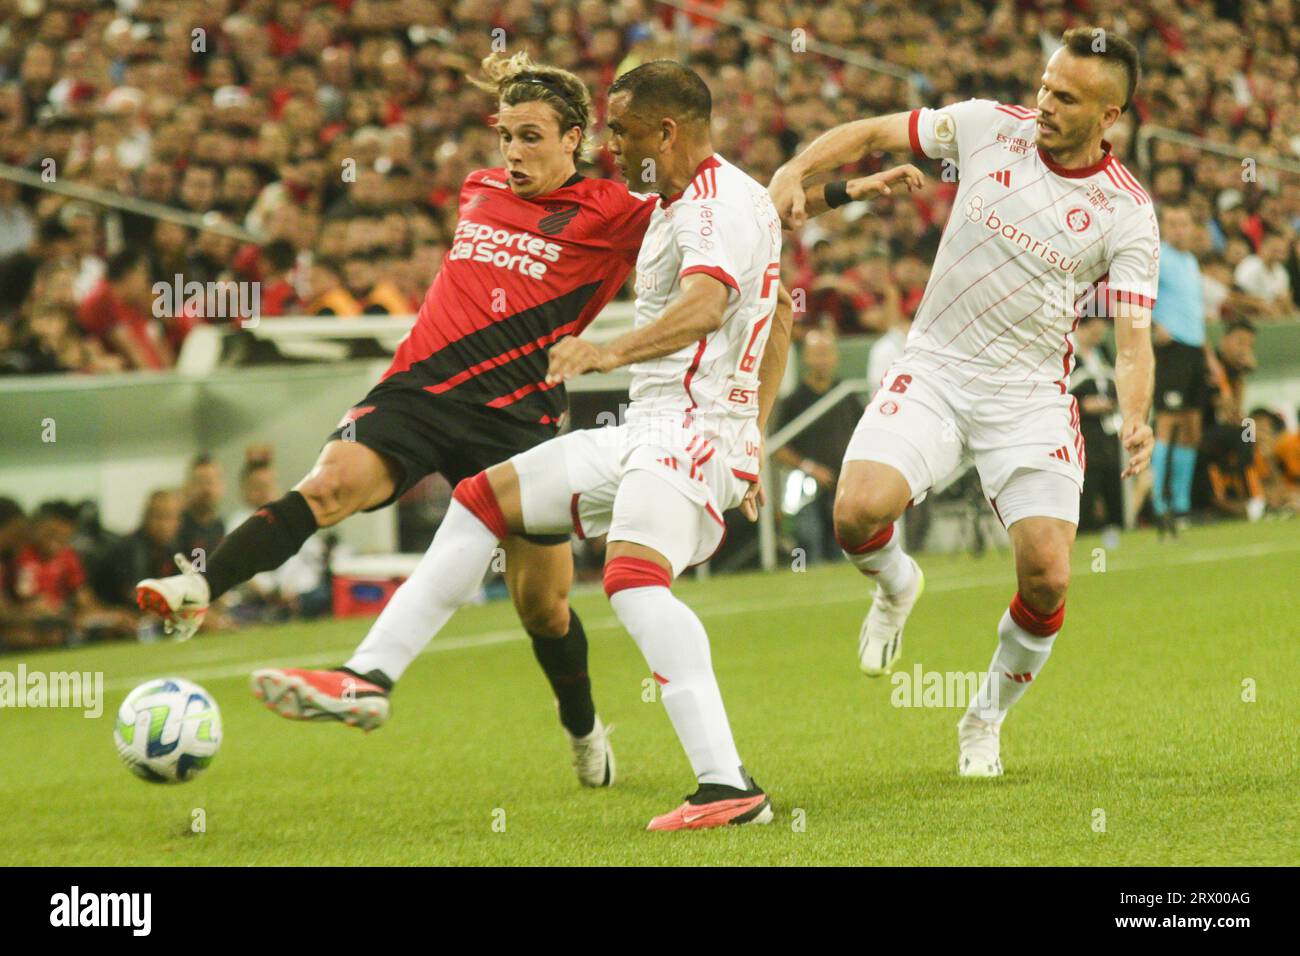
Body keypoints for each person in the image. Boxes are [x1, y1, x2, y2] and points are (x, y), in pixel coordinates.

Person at [251, 60, 902, 830]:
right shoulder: (694, 196)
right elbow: (782, 312)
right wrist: (756, 437)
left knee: (632, 580)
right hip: (653, 431)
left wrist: (611, 355)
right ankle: (369, 677)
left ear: (666, 130)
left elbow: (703, 307)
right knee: (481, 500)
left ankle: (727, 786)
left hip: (691, 435)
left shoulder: (708, 211)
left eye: (622, 133)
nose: (610, 148)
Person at [140, 52, 681, 788]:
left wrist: (828, 188)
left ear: (574, 139)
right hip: (418, 393)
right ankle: (198, 590)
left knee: (543, 609)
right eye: (505, 136)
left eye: (530, 137)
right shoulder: (479, 188)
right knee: (329, 486)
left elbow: (710, 210)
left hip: (516, 419)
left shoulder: (621, 213)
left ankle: (584, 730)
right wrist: (515, 78)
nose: (513, 154)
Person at [769, 27, 1157, 778]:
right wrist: (795, 167)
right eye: (1045, 85)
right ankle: (895, 585)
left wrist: (1134, 413)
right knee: (855, 513)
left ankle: (983, 719)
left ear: (1109, 116)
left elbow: (1133, 340)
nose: (1044, 103)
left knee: (1048, 574)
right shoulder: (987, 128)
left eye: (1066, 97)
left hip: (1030, 397)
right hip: (938, 370)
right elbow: (876, 132)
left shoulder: (1126, 213)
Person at [773, 327, 863, 563]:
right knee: (807, 540)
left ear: (836, 356)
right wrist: (808, 467)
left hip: (842, 484)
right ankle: (801, 580)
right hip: (805, 486)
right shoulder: (795, 400)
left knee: (843, 546)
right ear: (806, 358)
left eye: (827, 353)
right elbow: (778, 446)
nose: (823, 360)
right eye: (817, 353)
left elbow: (864, 433)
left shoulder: (847, 394)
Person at [1150, 205, 1209, 535]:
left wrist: (1208, 357)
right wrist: (1154, 324)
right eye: (1172, 223)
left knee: (1191, 429)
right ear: (1164, 227)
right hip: (1171, 351)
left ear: (1191, 225)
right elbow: (1133, 293)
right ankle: (1160, 505)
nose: (1178, 229)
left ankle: (1182, 506)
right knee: (1168, 424)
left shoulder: (1190, 261)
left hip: (1194, 350)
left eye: (1183, 222)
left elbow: (1194, 311)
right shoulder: (1159, 256)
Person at [1069, 314, 1123, 538]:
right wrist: (1082, 405)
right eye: (1095, 331)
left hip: (1106, 427)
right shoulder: (1069, 355)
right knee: (1087, 478)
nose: (1099, 336)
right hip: (1080, 429)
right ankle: (1085, 528)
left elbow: (1115, 379)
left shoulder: (1103, 353)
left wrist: (1110, 401)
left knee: (1111, 473)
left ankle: (1116, 525)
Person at [178, 454, 226, 567]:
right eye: (200, 482)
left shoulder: (220, 527)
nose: (207, 489)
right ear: (188, 486)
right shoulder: (177, 528)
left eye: (211, 482)